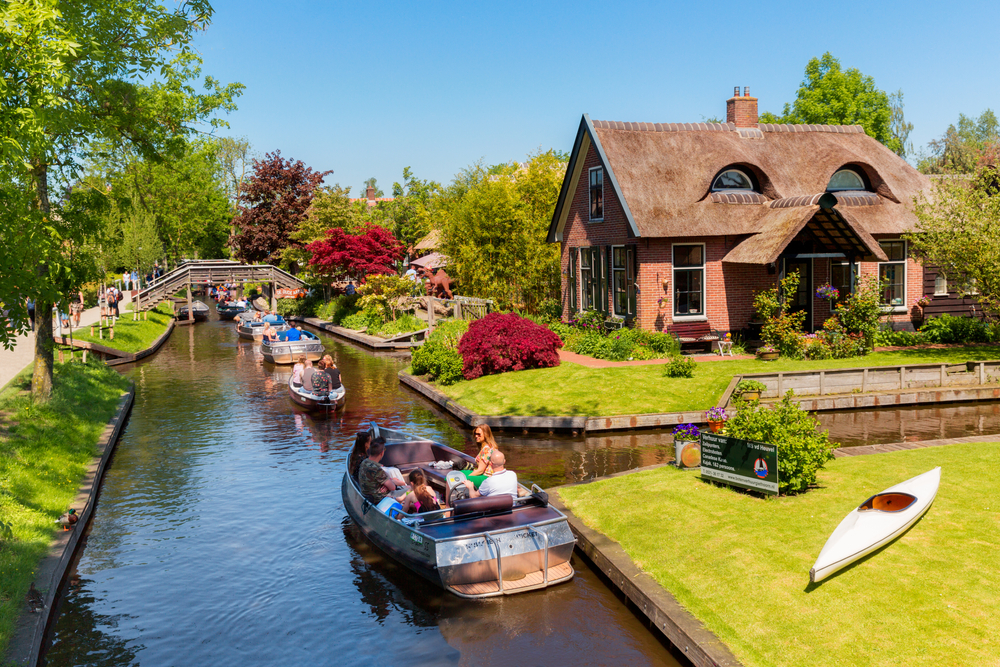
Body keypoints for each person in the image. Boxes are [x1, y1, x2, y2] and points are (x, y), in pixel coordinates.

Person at [358, 439, 403, 503]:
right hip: (381, 499)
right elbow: (392, 487)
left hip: (368, 497)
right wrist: (391, 483)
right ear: (382, 453)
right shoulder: (377, 470)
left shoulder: (364, 462)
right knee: (410, 490)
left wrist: (387, 485)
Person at [462, 424, 499, 489]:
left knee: (459, 479)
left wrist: (467, 477)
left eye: (479, 434)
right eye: (475, 434)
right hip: (489, 476)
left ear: (486, 434)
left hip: (487, 478)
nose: (476, 436)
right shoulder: (491, 446)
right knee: (461, 473)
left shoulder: (486, 449)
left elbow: (480, 471)